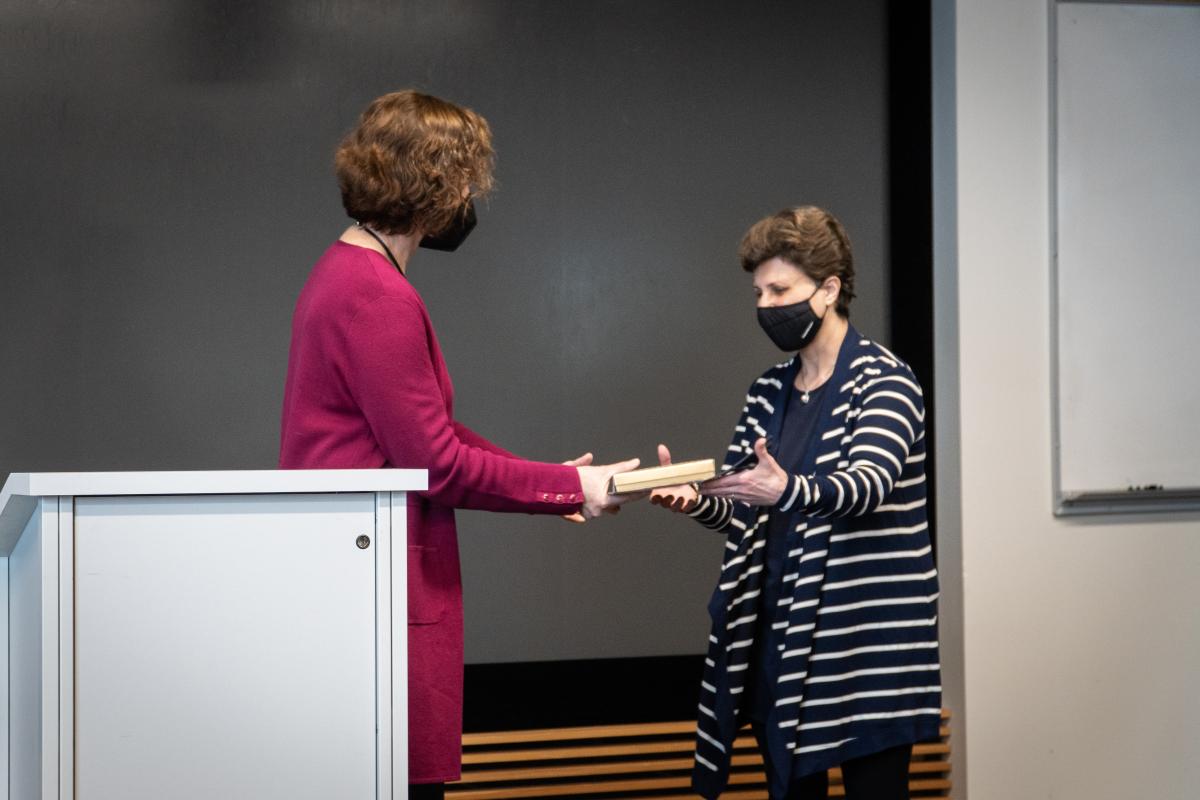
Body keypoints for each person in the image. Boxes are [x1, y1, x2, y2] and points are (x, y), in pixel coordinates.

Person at [278, 90, 639, 798]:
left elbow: (422, 435)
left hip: (356, 583)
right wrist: (569, 489)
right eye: (467, 179)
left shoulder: (351, 276)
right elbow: (435, 463)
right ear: (434, 185)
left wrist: (549, 481)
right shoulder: (375, 294)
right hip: (372, 592)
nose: (473, 197)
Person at [650, 207, 941, 800]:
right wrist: (701, 500)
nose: (766, 305)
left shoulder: (885, 380)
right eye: (759, 291)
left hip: (867, 649)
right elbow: (749, 507)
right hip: (781, 638)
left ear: (829, 289)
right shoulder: (767, 390)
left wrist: (784, 489)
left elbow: (869, 484)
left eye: (779, 289)